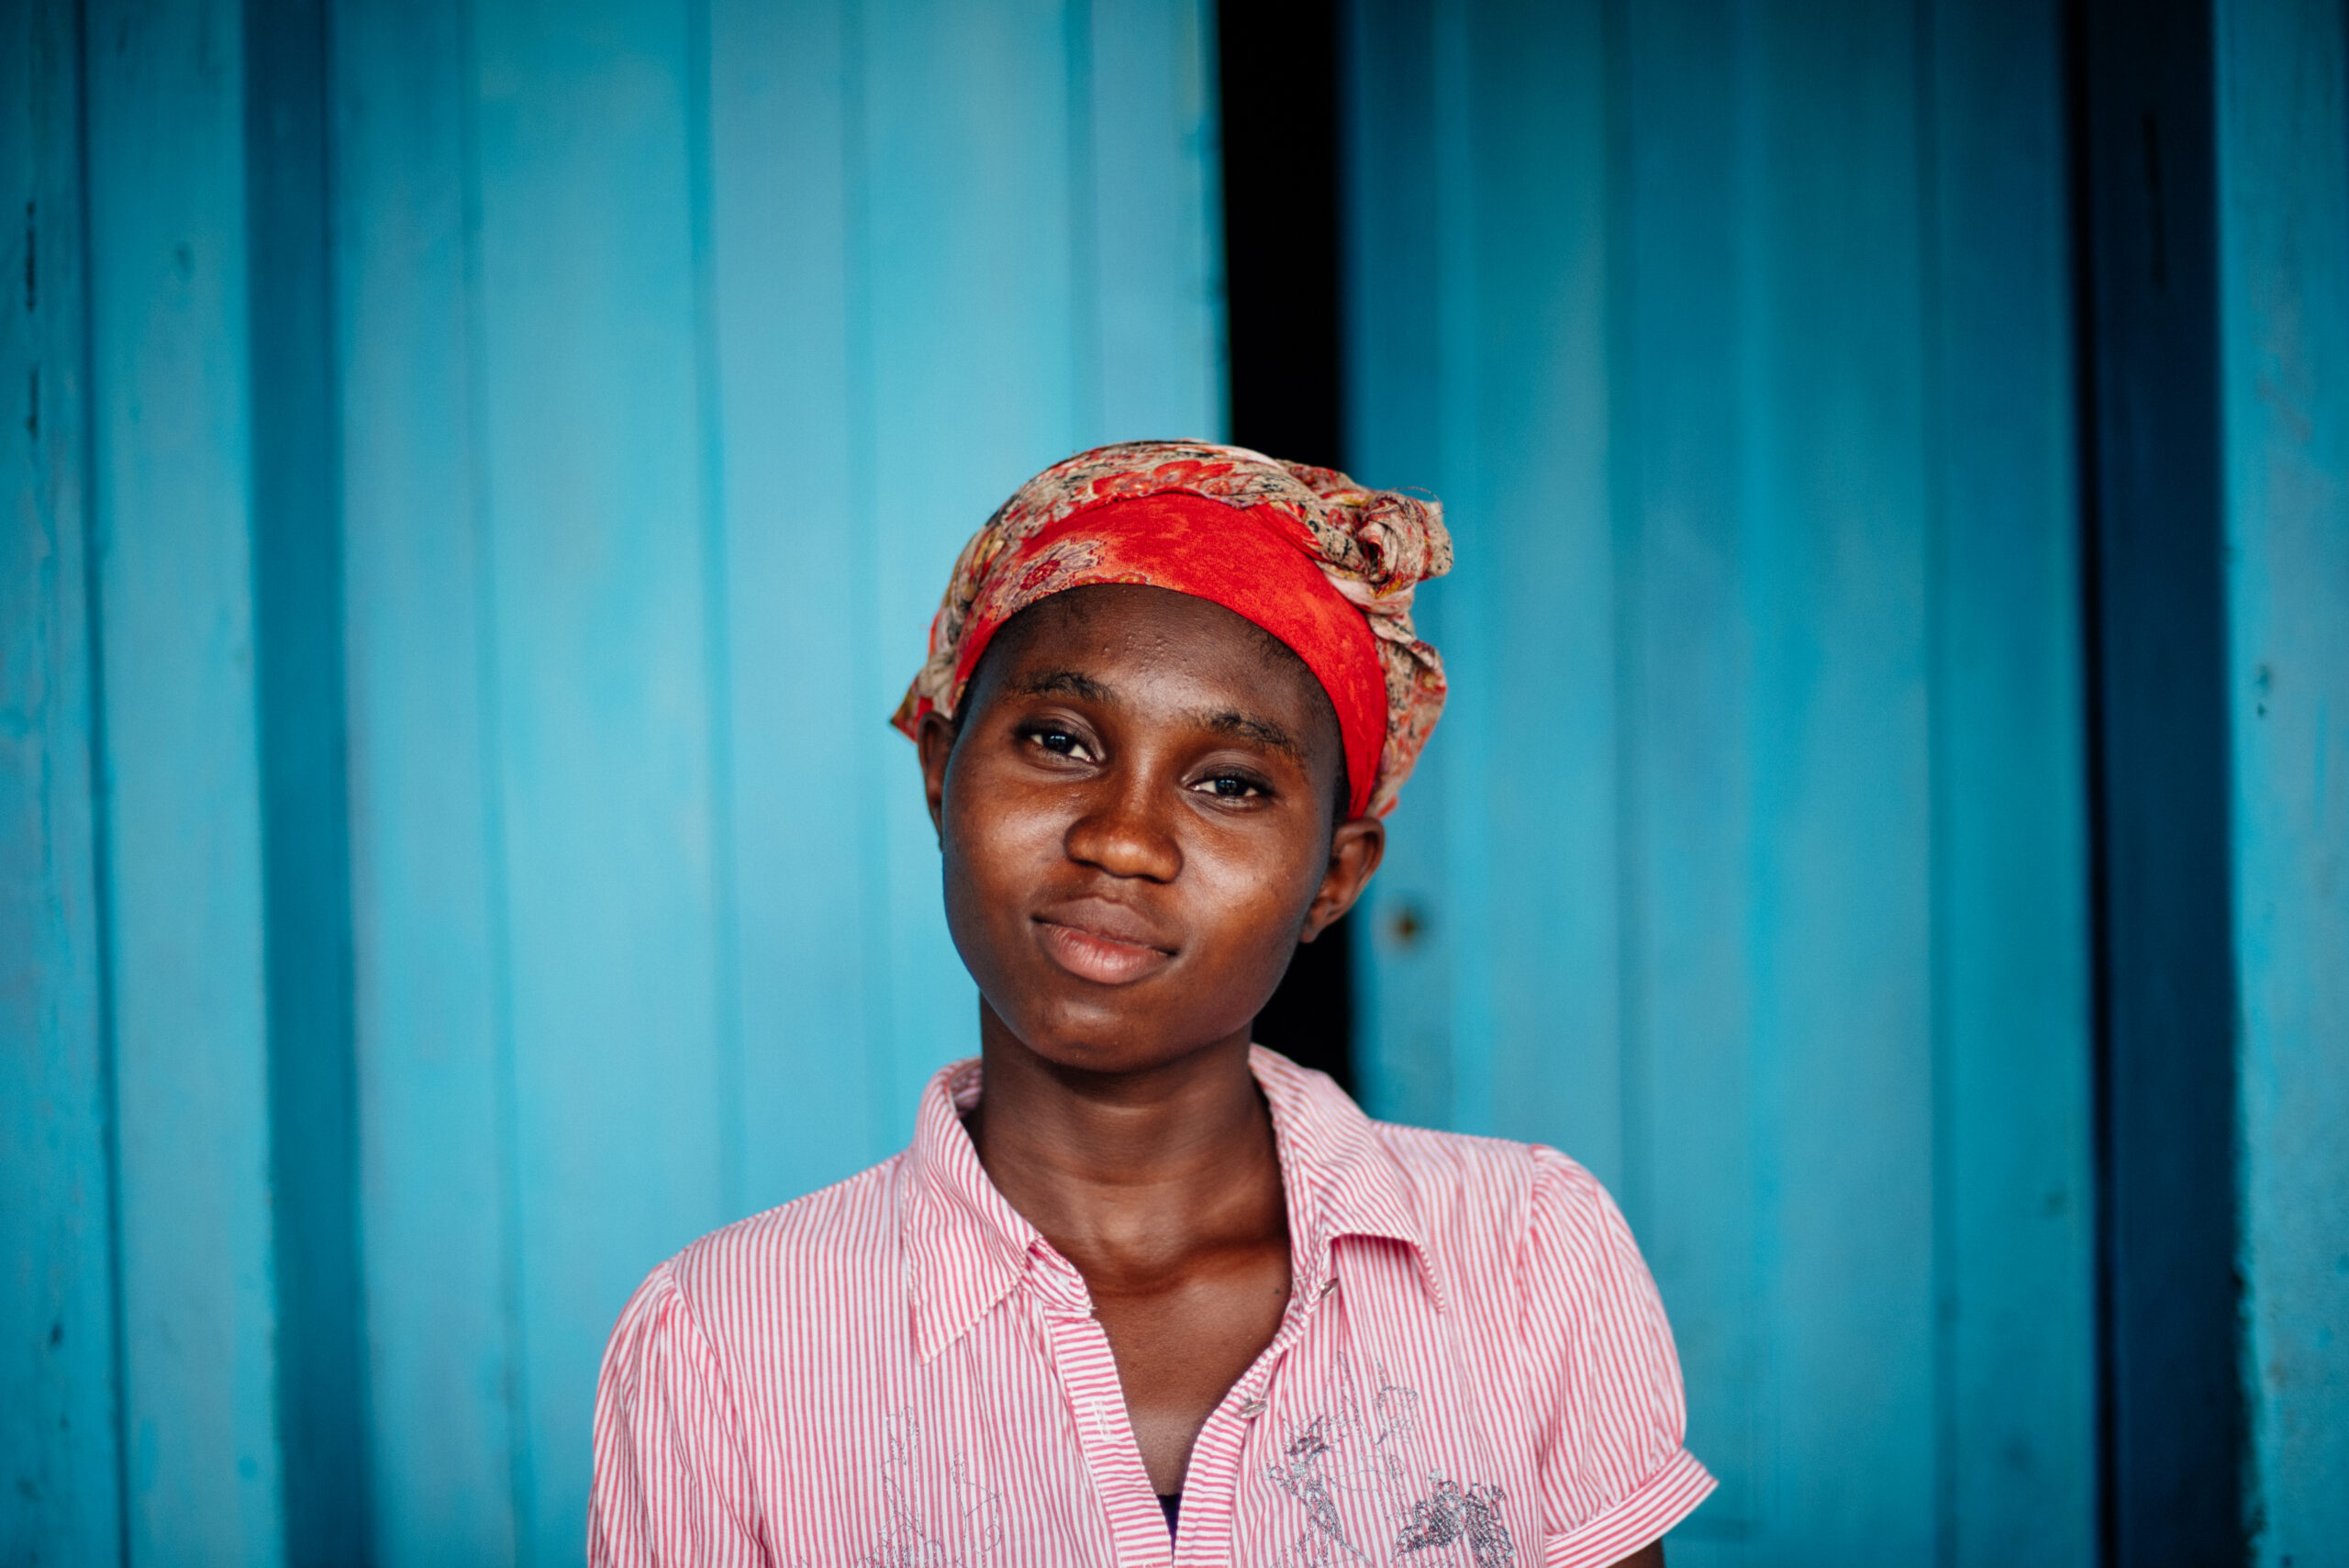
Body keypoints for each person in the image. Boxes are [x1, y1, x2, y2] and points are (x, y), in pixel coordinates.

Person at [588, 441, 1714, 1567]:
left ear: (1334, 873)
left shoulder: (1522, 1251)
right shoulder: (721, 1338)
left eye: (1229, 782)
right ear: (942, 769)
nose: (1120, 838)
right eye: (1058, 741)